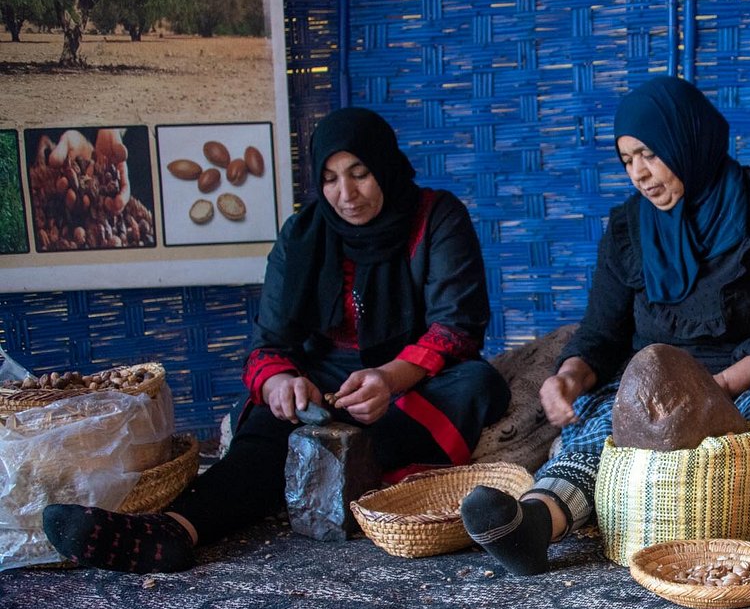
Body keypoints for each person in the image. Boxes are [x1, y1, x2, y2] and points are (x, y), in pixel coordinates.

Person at [43, 107, 510, 573]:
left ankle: (343, 459)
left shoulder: (436, 217)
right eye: (329, 179)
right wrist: (281, 383)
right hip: (326, 377)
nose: (346, 194)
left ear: (385, 166)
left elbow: (455, 329)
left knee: (476, 384)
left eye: (360, 174)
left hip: (412, 379)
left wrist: (387, 380)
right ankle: (175, 529)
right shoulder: (303, 234)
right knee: (272, 421)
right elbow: (268, 344)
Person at [460, 75, 750, 576]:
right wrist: (570, 377)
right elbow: (601, 333)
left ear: (687, 139)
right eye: (627, 160)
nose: (639, 173)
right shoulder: (628, 228)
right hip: (659, 391)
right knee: (614, 426)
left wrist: (717, 390)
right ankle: (538, 521)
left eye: (649, 153)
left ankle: (709, 482)